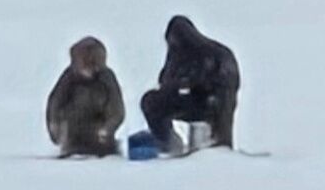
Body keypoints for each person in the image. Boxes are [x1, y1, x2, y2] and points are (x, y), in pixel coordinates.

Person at [140, 16, 241, 152]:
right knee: (152, 102)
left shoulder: (200, 53)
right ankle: (170, 144)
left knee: (151, 103)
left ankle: (169, 145)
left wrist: (177, 83)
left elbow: (176, 81)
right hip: (209, 103)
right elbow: (167, 79)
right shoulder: (189, 51)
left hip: (212, 105)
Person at [44, 37, 127, 159]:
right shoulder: (69, 78)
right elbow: (55, 103)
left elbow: (117, 108)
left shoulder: (106, 78)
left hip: (99, 132)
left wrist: (108, 128)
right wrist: (55, 126)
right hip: (72, 130)